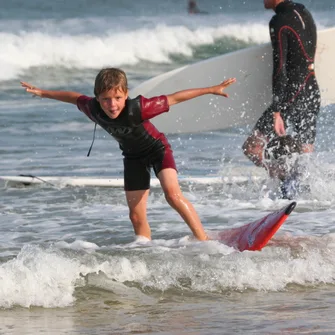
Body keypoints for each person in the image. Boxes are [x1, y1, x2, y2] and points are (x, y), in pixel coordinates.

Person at [21, 68, 236, 241]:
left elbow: (175, 98)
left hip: (158, 150)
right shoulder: (92, 108)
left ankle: (203, 240)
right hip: (132, 158)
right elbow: (74, 97)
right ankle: (143, 249)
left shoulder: (139, 108)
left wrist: (211, 89)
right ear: (97, 98)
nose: (112, 104)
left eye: (117, 97)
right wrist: (43, 93)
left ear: (126, 94)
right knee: (135, 215)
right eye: (105, 99)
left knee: (173, 195)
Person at [242, 0, 321, 196]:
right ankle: (301, 193)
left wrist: (277, 109)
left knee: (252, 147)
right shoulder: (302, 10)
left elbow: (280, 68)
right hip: (311, 89)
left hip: (291, 95)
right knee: (305, 153)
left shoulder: (279, 21)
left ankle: (285, 183)